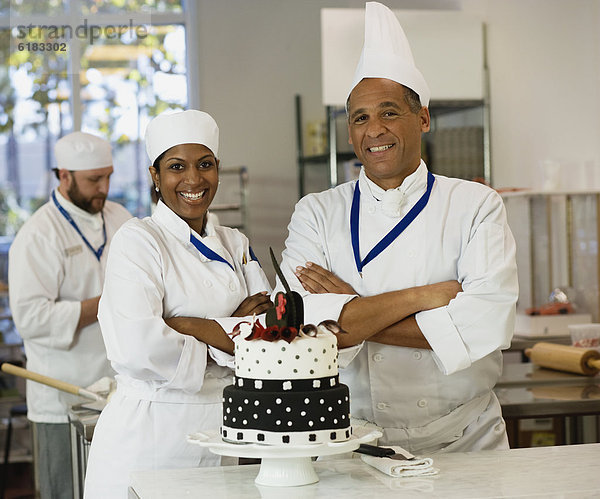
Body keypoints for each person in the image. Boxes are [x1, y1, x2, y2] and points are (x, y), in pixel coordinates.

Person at [278, 2, 518, 454]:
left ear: (423, 118)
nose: (375, 130)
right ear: (349, 134)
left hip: (465, 440)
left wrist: (349, 313)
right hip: (348, 441)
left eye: (389, 112)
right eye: (360, 118)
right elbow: (299, 326)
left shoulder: (475, 205)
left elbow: (485, 325)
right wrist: (421, 298)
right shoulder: (316, 212)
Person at [83, 110, 272, 498]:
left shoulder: (235, 243)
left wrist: (186, 325)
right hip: (149, 436)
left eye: (205, 164)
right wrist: (229, 331)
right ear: (155, 176)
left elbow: (269, 339)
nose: (193, 179)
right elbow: (139, 346)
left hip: (221, 433)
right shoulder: (138, 241)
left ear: (218, 168)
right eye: (176, 167)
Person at [8, 131, 132, 498]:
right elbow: (29, 318)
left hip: (118, 394)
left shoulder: (120, 217)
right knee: (64, 491)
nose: (104, 187)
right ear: (64, 176)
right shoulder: (37, 236)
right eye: (94, 179)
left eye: (108, 176)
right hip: (61, 398)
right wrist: (106, 302)